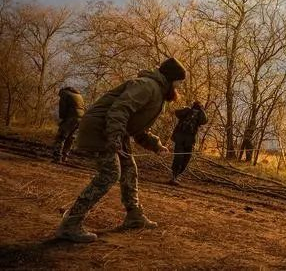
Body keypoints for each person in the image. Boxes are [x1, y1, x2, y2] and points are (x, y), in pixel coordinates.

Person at [55, 57, 187, 243]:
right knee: (110, 173)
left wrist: (156, 145)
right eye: (178, 82)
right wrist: (115, 137)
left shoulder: (157, 91)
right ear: (171, 79)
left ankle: (134, 216)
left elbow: (138, 128)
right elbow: (120, 109)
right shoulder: (147, 86)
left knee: (129, 169)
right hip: (101, 129)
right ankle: (71, 223)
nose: (178, 87)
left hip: (114, 130)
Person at [170, 101, 208, 185]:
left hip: (190, 140)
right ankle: (174, 176)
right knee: (178, 157)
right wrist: (187, 109)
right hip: (180, 138)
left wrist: (201, 110)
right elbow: (177, 113)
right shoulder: (187, 111)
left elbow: (204, 121)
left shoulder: (200, 115)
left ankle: (177, 175)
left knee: (186, 159)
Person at [52, 87, 85, 163]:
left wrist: (62, 118)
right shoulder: (79, 95)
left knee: (61, 137)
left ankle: (57, 157)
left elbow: (62, 108)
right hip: (80, 118)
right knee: (70, 138)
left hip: (71, 118)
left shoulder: (64, 94)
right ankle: (65, 157)